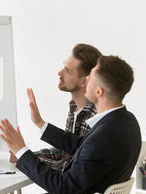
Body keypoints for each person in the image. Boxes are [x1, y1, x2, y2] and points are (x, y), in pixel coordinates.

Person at [0, 55, 142, 194]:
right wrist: (40, 124)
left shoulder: (104, 136)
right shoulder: (126, 121)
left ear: (99, 92)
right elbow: (83, 146)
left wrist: (22, 151)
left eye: (91, 76)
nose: (86, 79)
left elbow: (63, 187)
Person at [10, 43, 102, 172]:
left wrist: (29, 159)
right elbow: (65, 152)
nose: (59, 73)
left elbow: (74, 167)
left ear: (84, 81)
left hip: (77, 192)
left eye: (68, 70)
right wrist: (25, 155)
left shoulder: (95, 117)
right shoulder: (75, 107)